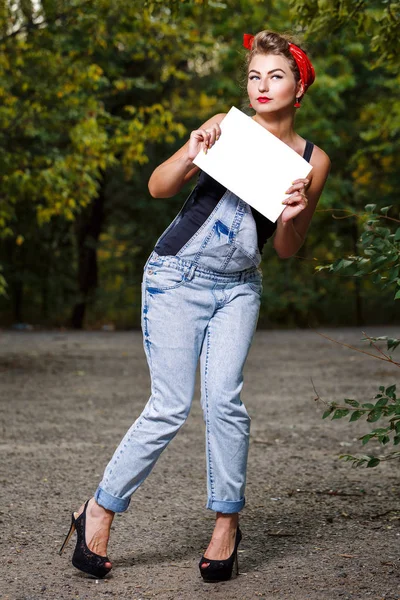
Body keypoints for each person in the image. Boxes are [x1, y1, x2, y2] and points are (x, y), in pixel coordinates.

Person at [59, 30, 330, 582]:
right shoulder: (229, 129)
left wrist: (296, 213)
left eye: (275, 75)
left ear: (299, 86)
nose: (262, 85)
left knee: (226, 402)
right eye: (254, 75)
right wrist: (191, 150)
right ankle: (99, 509)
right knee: (169, 405)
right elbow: (159, 188)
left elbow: (285, 247)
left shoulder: (310, 159)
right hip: (175, 277)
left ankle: (226, 525)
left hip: (238, 287)